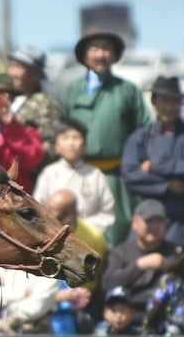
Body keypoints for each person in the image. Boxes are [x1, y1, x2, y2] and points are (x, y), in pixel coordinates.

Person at [61, 30, 147, 243]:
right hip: (78, 174)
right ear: (84, 55)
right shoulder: (72, 90)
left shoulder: (127, 90)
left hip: (116, 176)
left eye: (106, 49)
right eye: (95, 49)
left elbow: (143, 130)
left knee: (114, 234)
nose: (101, 55)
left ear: (115, 55)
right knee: (77, 235)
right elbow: (60, 130)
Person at [121, 76, 184, 244]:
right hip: (146, 216)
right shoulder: (140, 137)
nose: (169, 107)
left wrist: (153, 167)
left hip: (182, 216)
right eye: (164, 100)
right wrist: (167, 186)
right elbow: (130, 175)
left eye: (174, 101)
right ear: (154, 101)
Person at [33, 119, 116, 238]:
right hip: (53, 235)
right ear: (57, 146)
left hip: (89, 236)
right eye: (66, 138)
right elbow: (38, 207)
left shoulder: (95, 174)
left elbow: (107, 213)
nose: (71, 143)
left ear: (84, 145)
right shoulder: (49, 173)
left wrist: (83, 228)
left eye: (76, 138)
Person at [102, 201, 176, 310]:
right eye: (149, 221)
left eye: (159, 221)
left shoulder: (175, 252)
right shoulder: (120, 252)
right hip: (127, 315)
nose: (154, 226)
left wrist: (166, 264)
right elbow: (108, 284)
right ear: (135, 223)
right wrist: (139, 265)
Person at [5, 46, 61, 145]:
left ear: (35, 73)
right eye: (12, 66)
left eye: (19, 67)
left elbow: (51, 143)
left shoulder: (46, 103)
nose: (12, 73)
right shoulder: (7, 99)